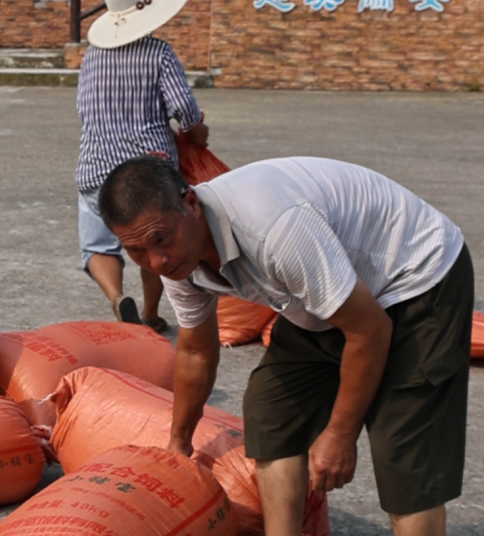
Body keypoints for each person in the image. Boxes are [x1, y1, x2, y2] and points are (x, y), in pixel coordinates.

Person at [99, 155, 473, 536]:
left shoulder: (273, 228)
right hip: (333, 295)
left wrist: (340, 435)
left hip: (415, 279)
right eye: (136, 250)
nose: (156, 260)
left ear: (191, 203)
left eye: (161, 239)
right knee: (271, 410)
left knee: (404, 460)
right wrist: (178, 443)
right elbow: (196, 350)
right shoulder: (177, 260)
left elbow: (369, 331)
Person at [76, 0, 209, 329]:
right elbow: (185, 111)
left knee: (98, 247)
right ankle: (150, 314)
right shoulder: (159, 53)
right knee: (154, 242)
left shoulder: (92, 56)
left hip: (95, 166)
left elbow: (83, 109)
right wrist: (200, 134)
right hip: (147, 171)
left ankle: (117, 298)